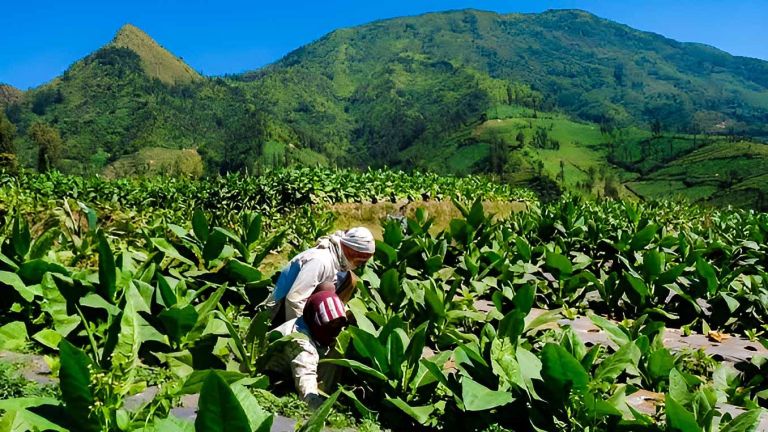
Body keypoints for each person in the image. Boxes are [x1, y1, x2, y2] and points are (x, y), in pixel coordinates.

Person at [265, 227, 375, 325]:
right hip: (281, 312)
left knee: (350, 280)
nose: (361, 265)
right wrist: (302, 332)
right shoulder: (320, 261)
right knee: (327, 287)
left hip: (305, 308)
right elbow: (294, 300)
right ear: (353, 252)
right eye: (361, 261)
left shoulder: (339, 262)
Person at [265, 290, 348, 408]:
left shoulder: (306, 321)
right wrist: (316, 405)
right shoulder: (303, 346)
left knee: (336, 353)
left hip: (294, 370)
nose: (338, 330)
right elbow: (306, 379)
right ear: (317, 322)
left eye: (340, 325)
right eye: (331, 325)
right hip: (273, 380)